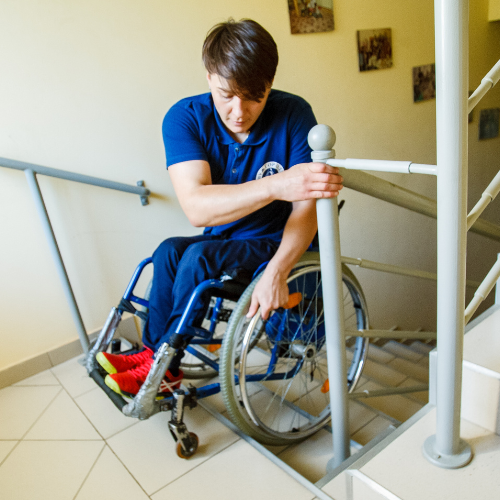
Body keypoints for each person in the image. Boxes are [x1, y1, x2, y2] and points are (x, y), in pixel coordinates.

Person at [96, 18, 343, 398]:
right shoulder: (185, 118)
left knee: (198, 257)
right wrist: (276, 184)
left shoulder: (294, 115)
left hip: (272, 242)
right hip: (223, 238)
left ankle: (165, 366)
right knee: (169, 251)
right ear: (209, 75)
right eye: (227, 95)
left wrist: (278, 269)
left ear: (270, 86)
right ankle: (151, 355)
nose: (239, 110)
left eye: (254, 96)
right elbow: (197, 208)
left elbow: (305, 211)